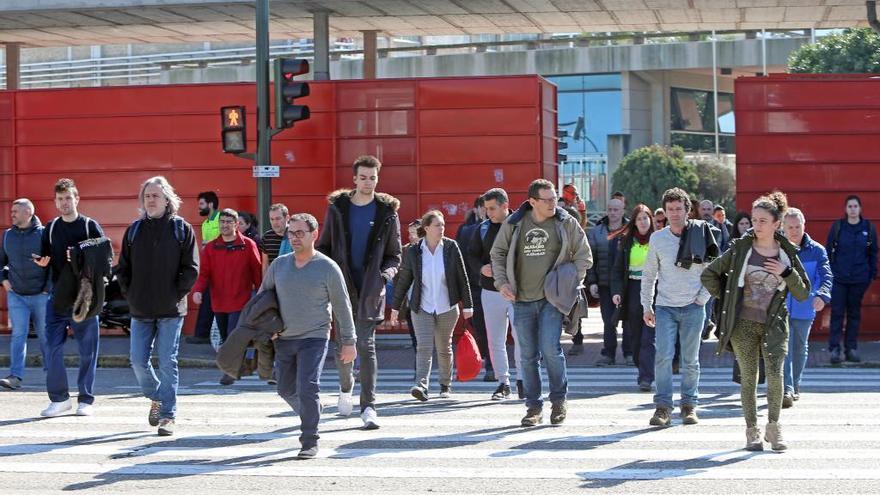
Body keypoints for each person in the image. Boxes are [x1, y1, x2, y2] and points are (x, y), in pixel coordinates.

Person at [702, 192, 809, 451]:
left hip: (774, 325)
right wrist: (729, 300)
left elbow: (803, 291)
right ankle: (752, 431)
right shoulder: (741, 249)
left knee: (775, 376)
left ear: (776, 224)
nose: (756, 225)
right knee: (750, 377)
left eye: (763, 221)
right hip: (743, 325)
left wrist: (786, 272)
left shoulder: (787, 253)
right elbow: (709, 274)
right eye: (754, 219)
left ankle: (774, 428)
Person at [491, 179, 592, 427]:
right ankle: (533, 408)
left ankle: (558, 401)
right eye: (546, 200)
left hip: (552, 300)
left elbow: (584, 256)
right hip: (521, 299)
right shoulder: (514, 223)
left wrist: (569, 283)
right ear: (533, 202)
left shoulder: (565, 221)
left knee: (550, 350)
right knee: (527, 356)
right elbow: (498, 253)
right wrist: (502, 282)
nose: (552, 203)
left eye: (554, 198)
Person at [261, 213, 357, 460]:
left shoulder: (327, 267)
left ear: (314, 235)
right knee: (284, 388)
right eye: (291, 233)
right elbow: (262, 300)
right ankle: (313, 408)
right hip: (283, 338)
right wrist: (265, 328)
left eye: (300, 233)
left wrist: (349, 341)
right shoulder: (279, 265)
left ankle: (309, 440)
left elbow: (342, 306)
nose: (294, 238)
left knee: (307, 386)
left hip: (314, 337)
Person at [317, 155, 402, 430]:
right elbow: (325, 247)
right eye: (363, 177)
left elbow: (394, 255)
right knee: (345, 347)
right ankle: (345, 388)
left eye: (373, 177)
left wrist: (384, 276)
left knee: (366, 346)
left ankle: (369, 406)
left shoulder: (387, 212)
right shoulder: (338, 209)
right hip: (341, 287)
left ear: (378, 179)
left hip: (370, 289)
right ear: (354, 179)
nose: (368, 182)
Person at [117, 177, 199, 436]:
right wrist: (130, 294)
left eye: (155, 195)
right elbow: (123, 269)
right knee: (138, 361)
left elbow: (192, 268)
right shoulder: (134, 230)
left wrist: (176, 293)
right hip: (140, 309)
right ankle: (158, 396)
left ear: (167, 200)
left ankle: (167, 416)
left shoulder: (181, 229)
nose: (150, 200)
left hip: (170, 309)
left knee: (167, 361)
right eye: (147, 196)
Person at [641, 187, 718, 427]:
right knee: (663, 357)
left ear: (688, 210)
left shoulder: (701, 233)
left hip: (693, 307)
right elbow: (649, 274)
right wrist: (647, 305)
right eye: (670, 209)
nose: (674, 214)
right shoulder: (657, 238)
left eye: (679, 209)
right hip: (665, 306)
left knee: (690, 360)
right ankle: (663, 407)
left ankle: (689, 405)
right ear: (665, 212)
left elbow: (714, 271)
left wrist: (702, 298)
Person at [35, 178, 108, 417]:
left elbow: (105, 259)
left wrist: (80, 255)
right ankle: (59, 399)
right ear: (55, 202)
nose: (65, 202)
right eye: (60, 199)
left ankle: (85, 400)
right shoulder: (51, 228)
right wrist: (41, 262)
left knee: (88, 351)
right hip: (58, 297)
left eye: (68, 198)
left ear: (77, 198)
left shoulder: (89, 226)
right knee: (51, 348)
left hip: (84, 297)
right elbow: (45, 257)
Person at [391, 210, 473, 401]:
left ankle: (445, 384)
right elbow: (404, 279)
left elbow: (463, 277)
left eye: (443, 225)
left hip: (447, 307)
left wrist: (468, 305)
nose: (442, 228)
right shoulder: (415, 250)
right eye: (437, 225)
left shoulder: (451, 247)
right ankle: (421, 385)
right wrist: (396, 307)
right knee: (424, 347)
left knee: (444, 347)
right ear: (426, 228)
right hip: (422, 307)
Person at [192, 208, 262, 385]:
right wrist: (198, 291)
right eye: (222, 222)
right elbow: (204, 274)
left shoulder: (247, 245)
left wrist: (262, 292)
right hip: (219, 301)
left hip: (240, 300)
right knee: (225, 337)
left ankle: (229, 371)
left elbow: (256, 271)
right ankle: (242, 362)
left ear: (236, 224)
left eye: (228, 222)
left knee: (232, 336)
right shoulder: (211, 248)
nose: (224, 225)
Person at [467, 188, 523, 400]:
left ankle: (523, 380)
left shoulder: (520, 226)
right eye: (486, 209)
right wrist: (481, 268)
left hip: (519, 292)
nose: (488, 213)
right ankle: (503, 382)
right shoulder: (482, 229)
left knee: (521, 338)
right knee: (495, 340)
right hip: (491, 291)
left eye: (492, 208)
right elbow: (471, 255)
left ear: (504, 205)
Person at [781, 207, 832, 407]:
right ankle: (787, 388)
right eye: (790, 227)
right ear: (783, 228)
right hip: (781, 308)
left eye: (797, 226)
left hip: (805, 307)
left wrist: (822, 295)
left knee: (800, 348)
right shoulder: (777, 248)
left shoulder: (817, 250)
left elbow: (826, 276)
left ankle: (796, 383)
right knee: (784, 348)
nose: (794, 231)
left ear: (804, 226)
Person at [0, 199, 49, 391]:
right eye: (12, 211)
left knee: (46, 336)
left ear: (28, 212)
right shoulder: (7, 236)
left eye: (15, 211)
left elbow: (54, 264)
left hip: (41, 295)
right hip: (17, 295)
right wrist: (3, 279)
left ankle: (52, 375)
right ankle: (15, 376)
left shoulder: (44, 235)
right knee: (18, 335)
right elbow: (1, 261)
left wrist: (48, 288)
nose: (11, 214)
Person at [826, 195, 878, 364]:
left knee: (854, 314)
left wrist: (870, 275)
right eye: (850, 206)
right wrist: (831, 273)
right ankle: (835, 349)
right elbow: (828, 252)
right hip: (839, 279)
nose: (853, 209)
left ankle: (851, 349)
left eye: (856, 206)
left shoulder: (868, 228)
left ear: (860, 209)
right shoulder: (838, 227)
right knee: (837, 314)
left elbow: (873, 254)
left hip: (859, 280)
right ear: (846, 209)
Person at [610, 204, 656, 392]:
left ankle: (646, 377)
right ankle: (641, 366)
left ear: (651, 220)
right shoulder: (626, 242)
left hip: (654, 292)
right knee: (636, 337)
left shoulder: (659, 239)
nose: (643, 222)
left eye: (646, 218)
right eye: (639, 219)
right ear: (634, 222)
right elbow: (617, 270)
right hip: (633, 291)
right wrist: (617, 291)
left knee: (648, 338)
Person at [585, 196, 628, 364]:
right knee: (608, 320)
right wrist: (592, 282)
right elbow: (591, 260)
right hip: (604, 284)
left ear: (622, 211)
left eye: (616, 209)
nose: (612, 213)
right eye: (610, 209)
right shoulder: (597, 231)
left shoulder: (630, 229)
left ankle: (629, 353)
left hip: (626, 284)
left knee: (629, 321)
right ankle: (608, 354)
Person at [455, 197, 492, 381]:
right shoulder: (467, 230)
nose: (488, 212)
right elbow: (461, 259)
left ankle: (492, 364)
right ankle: (488, 361)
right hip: (475, 285)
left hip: (495, 286)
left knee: (492, 327)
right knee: (481, 326)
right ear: (477, 209)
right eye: (485, 208)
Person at [256, 203, 290, 385]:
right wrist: (266, 289)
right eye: (272, 219)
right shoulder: (267, 238)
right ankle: (276, 369)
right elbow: (265, 265)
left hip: (292, 290)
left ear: (286, 217)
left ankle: (284, 367)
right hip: (274, 289)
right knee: (274, 329)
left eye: (278, 218)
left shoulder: (294, 236)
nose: (275, 223)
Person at [186, 190, 221, 345]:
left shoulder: (222, 219)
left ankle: (202, 334)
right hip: (210, 268)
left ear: (210, 204)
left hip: (221, 268)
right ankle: (203, 333)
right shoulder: (206, 223)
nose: (199, 208)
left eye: (201, 204)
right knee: (207, 300)